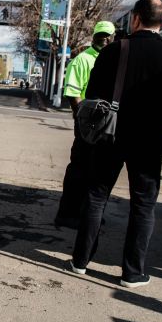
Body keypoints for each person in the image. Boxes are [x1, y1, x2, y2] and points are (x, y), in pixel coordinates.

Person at [70, 0, 162, 288]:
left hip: (111, 135)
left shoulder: (115, 50)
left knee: (97, 196)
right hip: (150, 140)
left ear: (135, 19)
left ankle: (80, 261)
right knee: (144, 205)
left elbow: (93, 93)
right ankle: (132, 273)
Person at [54, 20, 115, 229]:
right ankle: (68, 214)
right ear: (94, 36)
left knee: (95, 172)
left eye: (108, 35)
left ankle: (88, 214)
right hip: (87, 125)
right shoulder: (83, 60)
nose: (105, 39)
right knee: (78, 170)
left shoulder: (109, 58)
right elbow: (72, 92)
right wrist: (83, 121)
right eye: (101, 35)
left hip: (103, 125)